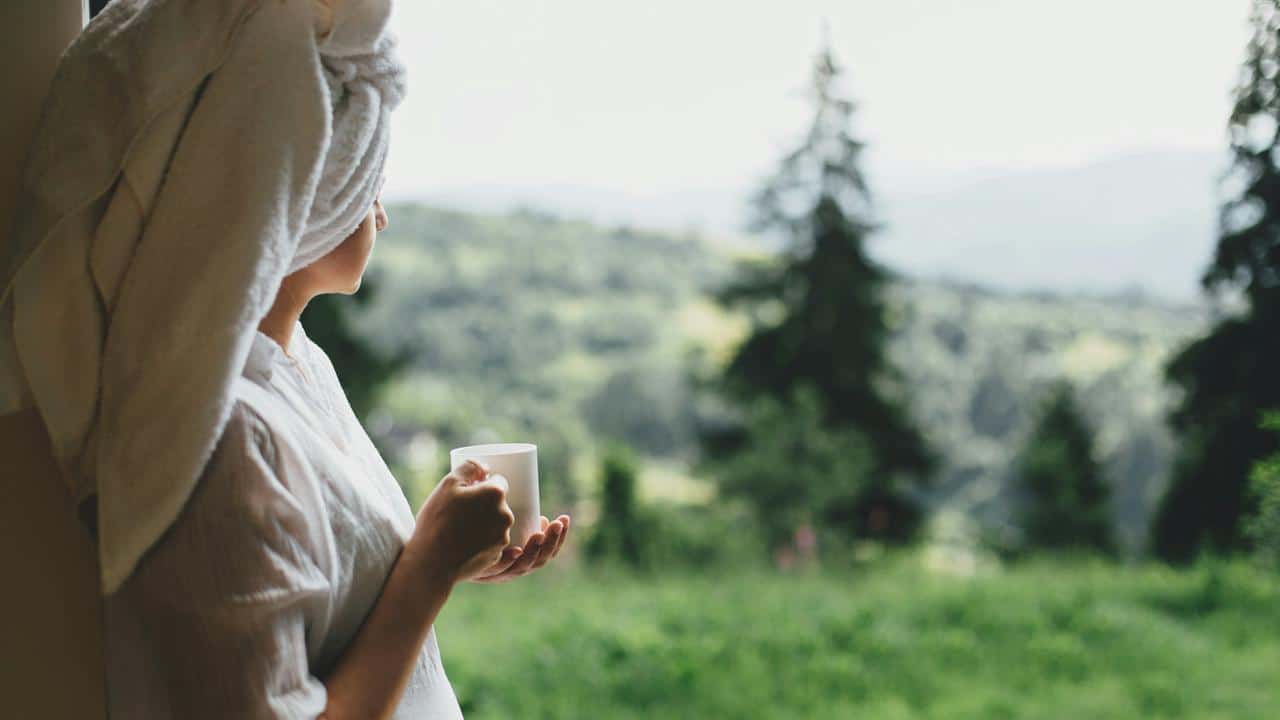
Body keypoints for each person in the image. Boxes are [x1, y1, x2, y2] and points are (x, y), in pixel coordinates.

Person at [106, 197, 571, 719]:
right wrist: (431, 567)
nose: (381, 215)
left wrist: (455, 552)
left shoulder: (302, 362)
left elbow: (327, 595)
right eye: (369, 184)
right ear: (303, 183)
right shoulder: (227, 428)